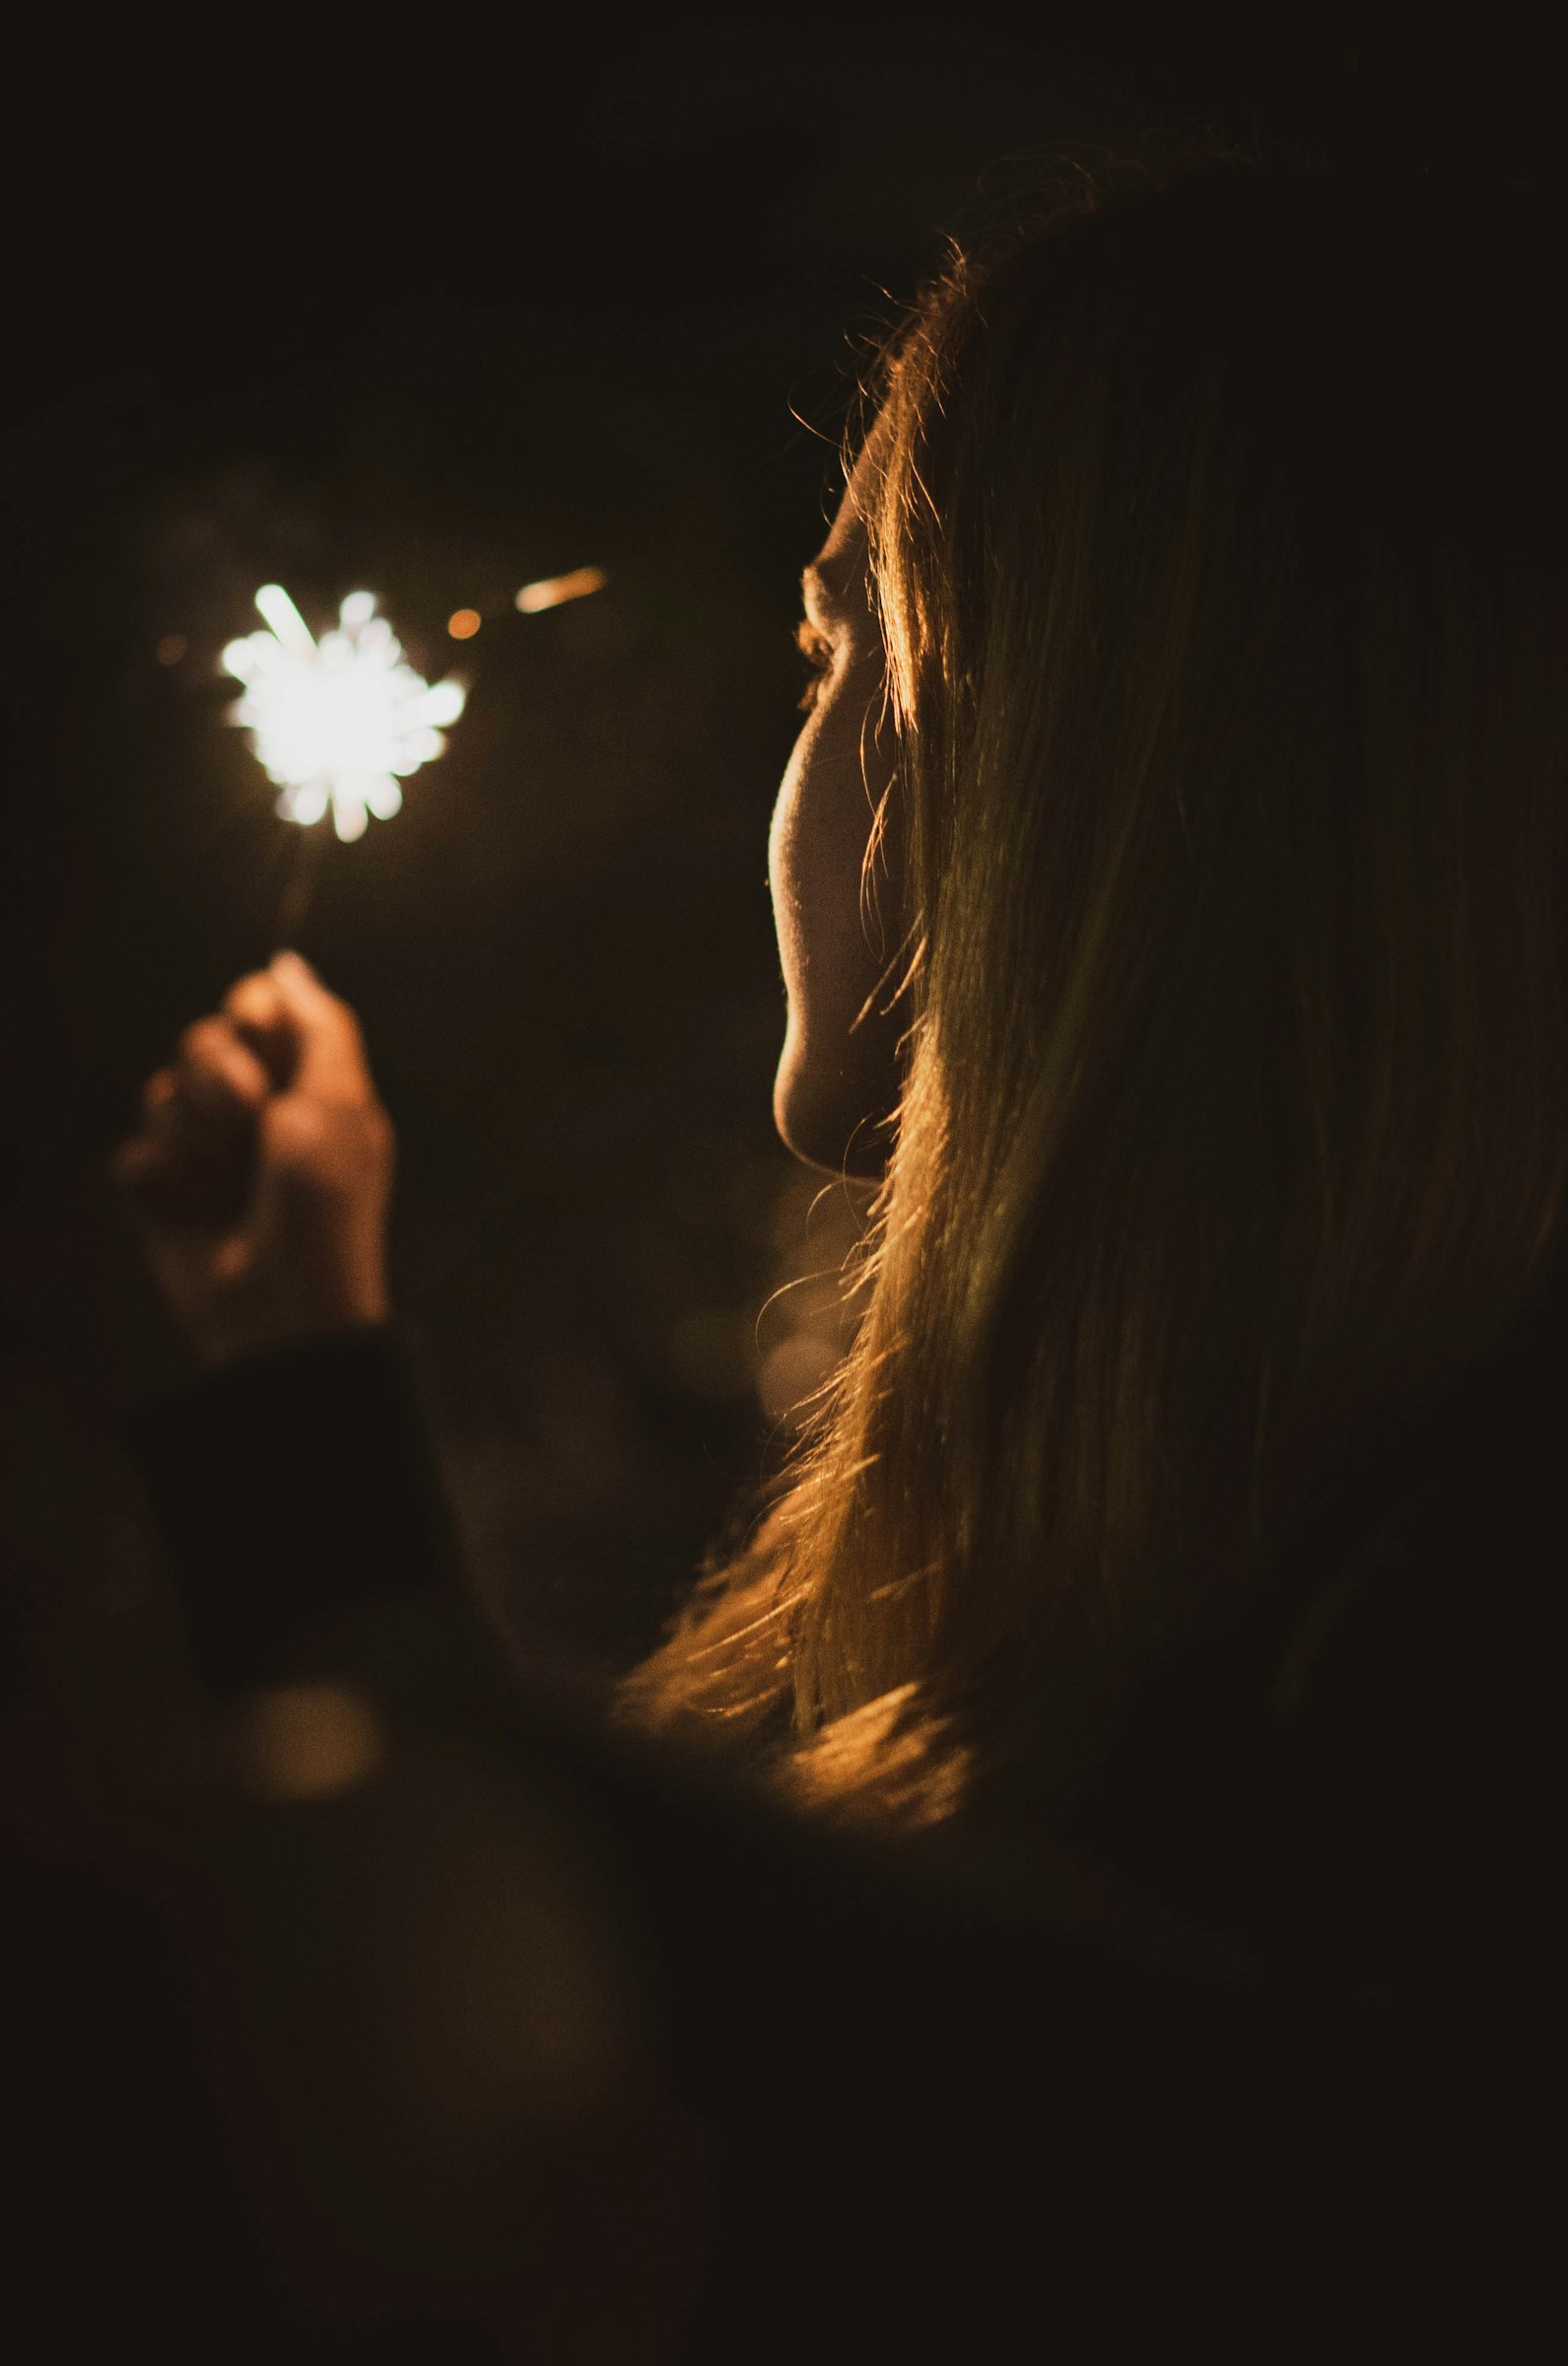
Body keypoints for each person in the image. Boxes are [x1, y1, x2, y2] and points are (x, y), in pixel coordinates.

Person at [112, 136, 1564, 2350]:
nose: (792, 761)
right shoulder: (1258, 1560)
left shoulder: (1450, 1658)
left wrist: (393, 1774)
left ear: (1044, 752)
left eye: (838, 648)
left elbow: (1097, 2141)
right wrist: (298, 1411)